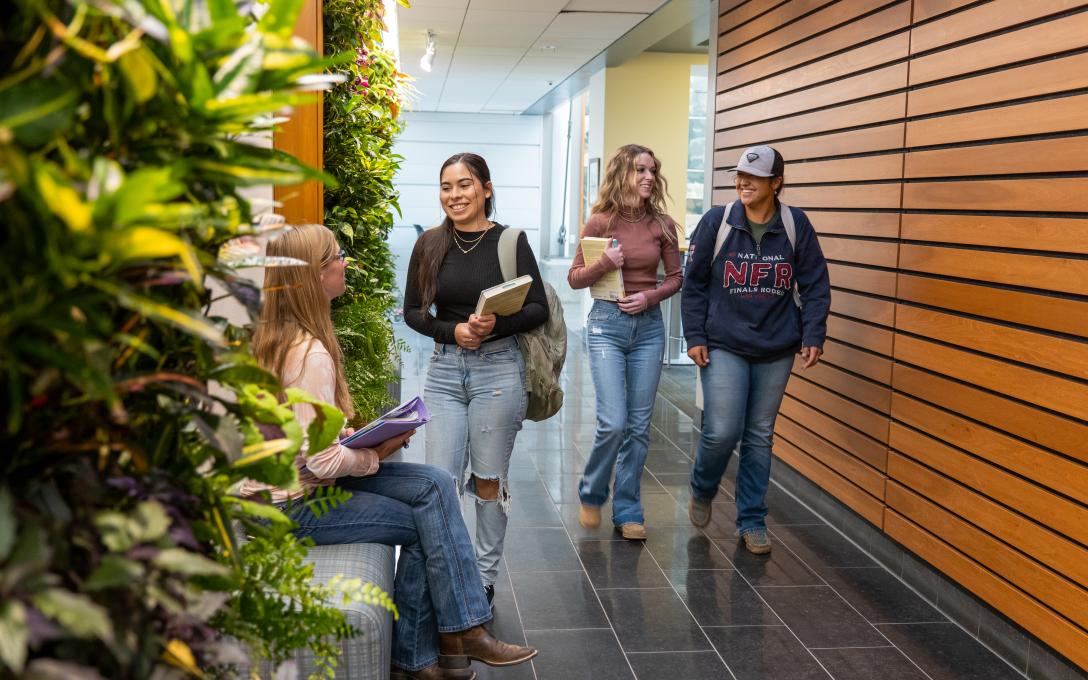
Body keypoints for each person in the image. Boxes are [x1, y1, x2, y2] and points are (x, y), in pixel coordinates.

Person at [242, 224, 537, 680]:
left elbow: (306, 440)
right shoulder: (309, 355)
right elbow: (321, 461)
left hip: (287, 487)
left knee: (437, 484)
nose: (345, 262)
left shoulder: (278, 337)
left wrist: (361, 438)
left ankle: (460, 632)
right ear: (315, 276)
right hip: (288, 507)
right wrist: (375, 452)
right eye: (337, 256)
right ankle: (431, 650)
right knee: (426, 520)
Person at [403, 153, 548, 607]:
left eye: (464, 185)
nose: (455, 195)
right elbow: (412, 312)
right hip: (445, 371)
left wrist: (493, 328)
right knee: (441, 483)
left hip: (499, 370)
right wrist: (454, 331)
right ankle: (449, 573)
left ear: (485, 188)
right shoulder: (429, 243)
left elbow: (538, 307)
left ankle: (483, 580)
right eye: (446, 187)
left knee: (488, 480)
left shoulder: (510, 241)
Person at [681, 145, 831, 554]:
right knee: (721, 430)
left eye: (755, 177)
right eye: (741, 175)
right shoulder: (718, 221)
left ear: (776, 183)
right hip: (724, 342)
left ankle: (751, 520)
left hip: (777, 345)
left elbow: (816, 284)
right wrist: (694, 336)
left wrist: (813, 334)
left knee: (760, 435)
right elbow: (692, 283)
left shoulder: (794, 224)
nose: (743, 182)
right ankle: (703, 485)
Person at [567, 144, 682, 541]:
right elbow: (575, 277)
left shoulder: (662, 224)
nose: (649, 177)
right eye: (640, 170)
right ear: (622, 174)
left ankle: (629, 509)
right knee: (612, 422)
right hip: (605, 326)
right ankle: (592, 491)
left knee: (638, 426)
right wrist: (605, 263)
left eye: (653, 170)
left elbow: (676, 278)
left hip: (649, 328)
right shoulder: (600, 223)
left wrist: (649, 296)